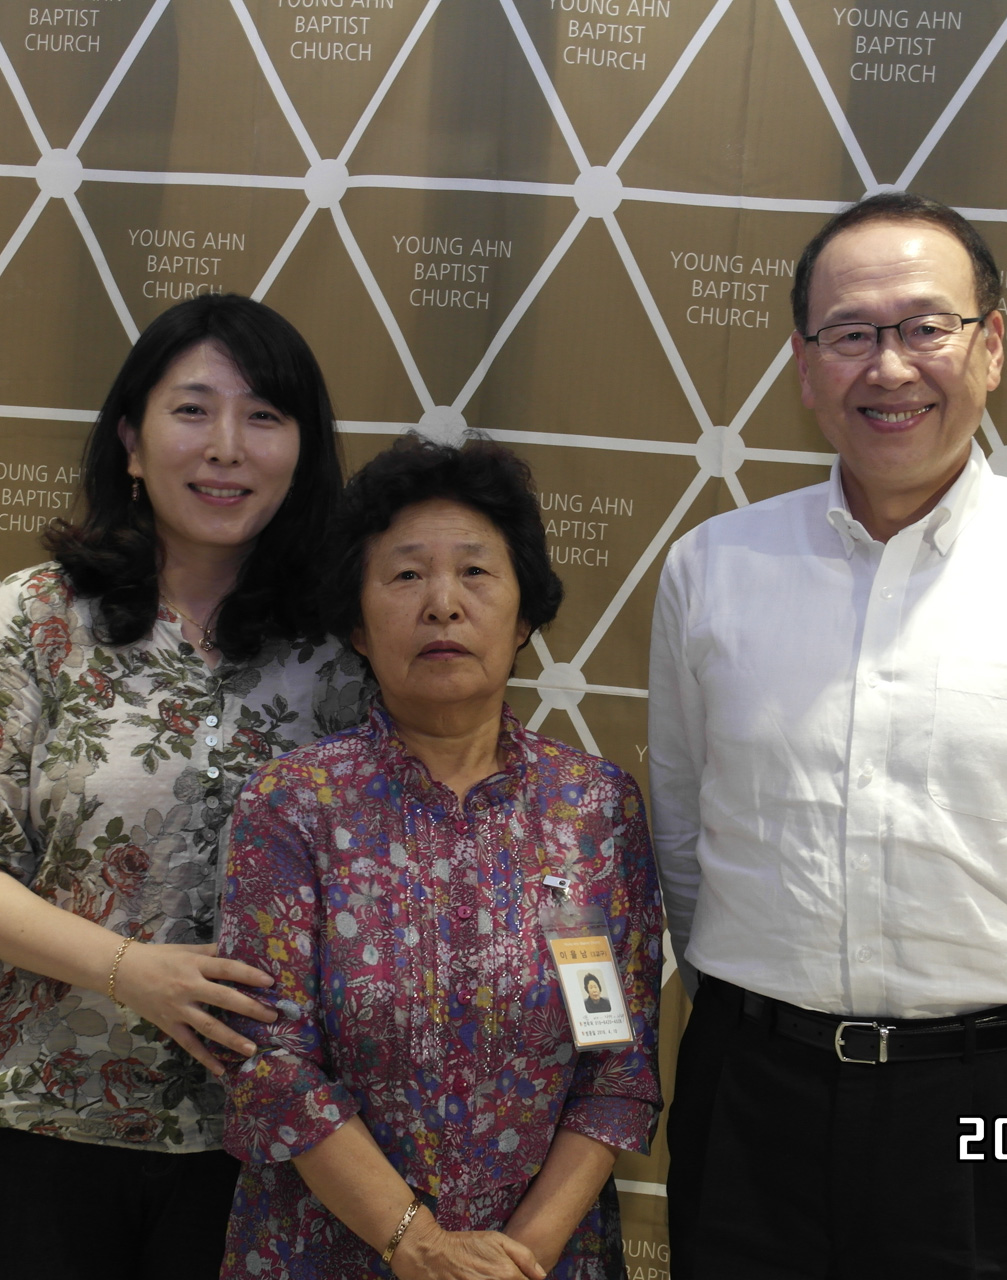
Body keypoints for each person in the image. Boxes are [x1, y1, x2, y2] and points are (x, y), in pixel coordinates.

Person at [648, 192, 1007, 1278]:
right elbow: (681, 836)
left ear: (991, 347)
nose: (890, 366)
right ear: (805, 367)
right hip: (753, 1098)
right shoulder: (712, 570)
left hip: (991, 1107)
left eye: (925, 327)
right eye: (851, 333)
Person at [0, 293, 371, 1279]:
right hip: (44, 1116)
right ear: (130, 439)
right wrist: (132, 970)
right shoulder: (39, 616)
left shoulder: (344, 648)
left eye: (264, 416)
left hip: (267, 1137)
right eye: (192, 410)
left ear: (303, 451)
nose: (226, 447)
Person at [213, 437, 664, 1279]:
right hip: (328, 1252)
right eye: (407, 574)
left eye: (476, 573)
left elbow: (617, 1065)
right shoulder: (294, 805)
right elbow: (272, 1069)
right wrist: (419, 1247)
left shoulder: (592, 809)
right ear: (356, 622)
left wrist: (514, 1262)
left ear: (524, 617)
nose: (443, 604)